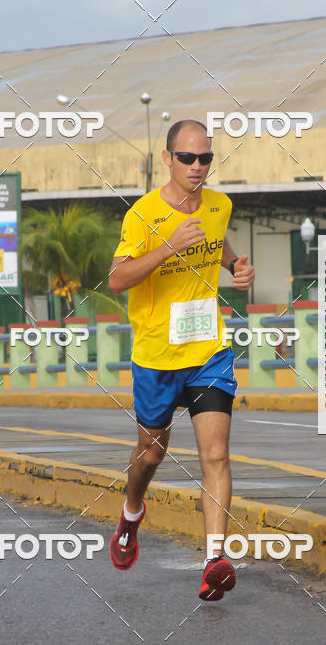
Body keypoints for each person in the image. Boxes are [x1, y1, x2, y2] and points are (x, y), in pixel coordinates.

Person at [108, 119, 255, 600]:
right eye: (188, 158)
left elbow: (215, 236)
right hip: (156, 355)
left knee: (215, 455)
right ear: (168, 159)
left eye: (205, 158)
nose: (197, 167)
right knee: (151, 454)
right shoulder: (144, 215)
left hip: (208, 350)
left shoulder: (219, 204)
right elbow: (118, 279)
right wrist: (169, 245)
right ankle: (132, 513)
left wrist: (234, 264)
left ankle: (215, 559)